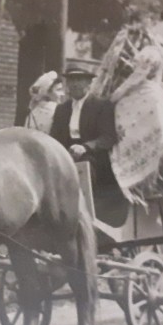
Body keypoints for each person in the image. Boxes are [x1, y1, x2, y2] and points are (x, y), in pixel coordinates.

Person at [49, 62, 125, 225]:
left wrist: (86, 147)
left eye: (79, 80)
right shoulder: (62, 109)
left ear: (89, 83)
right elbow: (54, 138)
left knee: (83, 172)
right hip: (66, 155)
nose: (75, 84)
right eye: (71, 80)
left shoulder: (101, 106)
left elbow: (109, 137)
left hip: (95, 157)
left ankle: (85, 219)